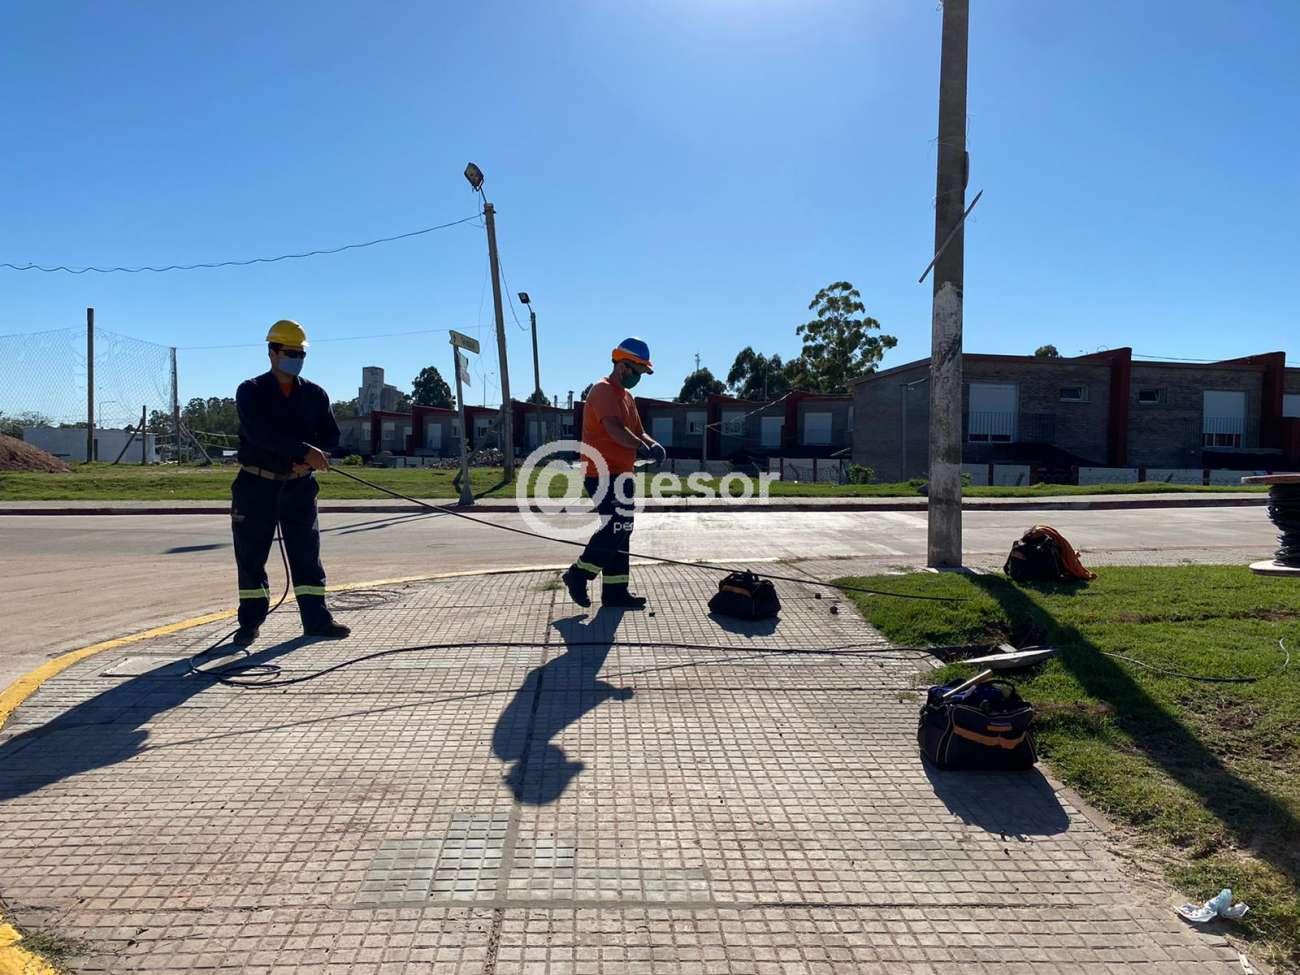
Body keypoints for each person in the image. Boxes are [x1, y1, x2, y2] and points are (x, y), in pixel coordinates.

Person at [229, 319, 350, 646]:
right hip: (256, 486)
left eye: (301, 354)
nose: (296, 359)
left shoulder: (314, 394)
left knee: (307, 555)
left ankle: (316, 621)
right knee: (251, 558)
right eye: (290, 353)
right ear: (272, 352)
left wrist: (313, 457)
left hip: (299, 487)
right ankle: (250, 624)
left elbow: (331, 436)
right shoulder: (251, 391)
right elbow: (260, 434)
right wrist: (302, 451)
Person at [561, 337, 666, 610]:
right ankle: (578, 574)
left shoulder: (627, 397)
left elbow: (637, 430)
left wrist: (652, 444)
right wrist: (642, 447)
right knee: (615, 526)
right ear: (622, 366)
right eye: (638, 371)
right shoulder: (603, 391)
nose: (639, 377)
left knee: (623, 529)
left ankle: (615, 592)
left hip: (623, 473)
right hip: (601, 472)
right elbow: (614, 429)